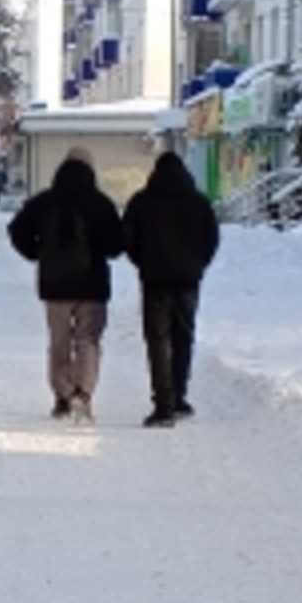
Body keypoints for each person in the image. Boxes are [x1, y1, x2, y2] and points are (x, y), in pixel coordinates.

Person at [6, 145, 124, 424]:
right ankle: (83, 394)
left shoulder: (44, 202)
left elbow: (17, 230)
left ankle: (62, 396)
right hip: (92, 284)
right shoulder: (100, 204)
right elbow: (117, 243)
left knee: (59, 341)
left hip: (54, 284)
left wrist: (37, 253)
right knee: (88, 340)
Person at [122, 151, 220, 428]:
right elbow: (211, 239)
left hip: (154, 280)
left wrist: (143, 261)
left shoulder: (141, 202)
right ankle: (179, 397)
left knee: (157, 341)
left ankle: (163, 405)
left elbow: (127, 237)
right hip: (188, 280)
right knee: (183, 337)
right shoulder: (199, 203)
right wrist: (197, 264)